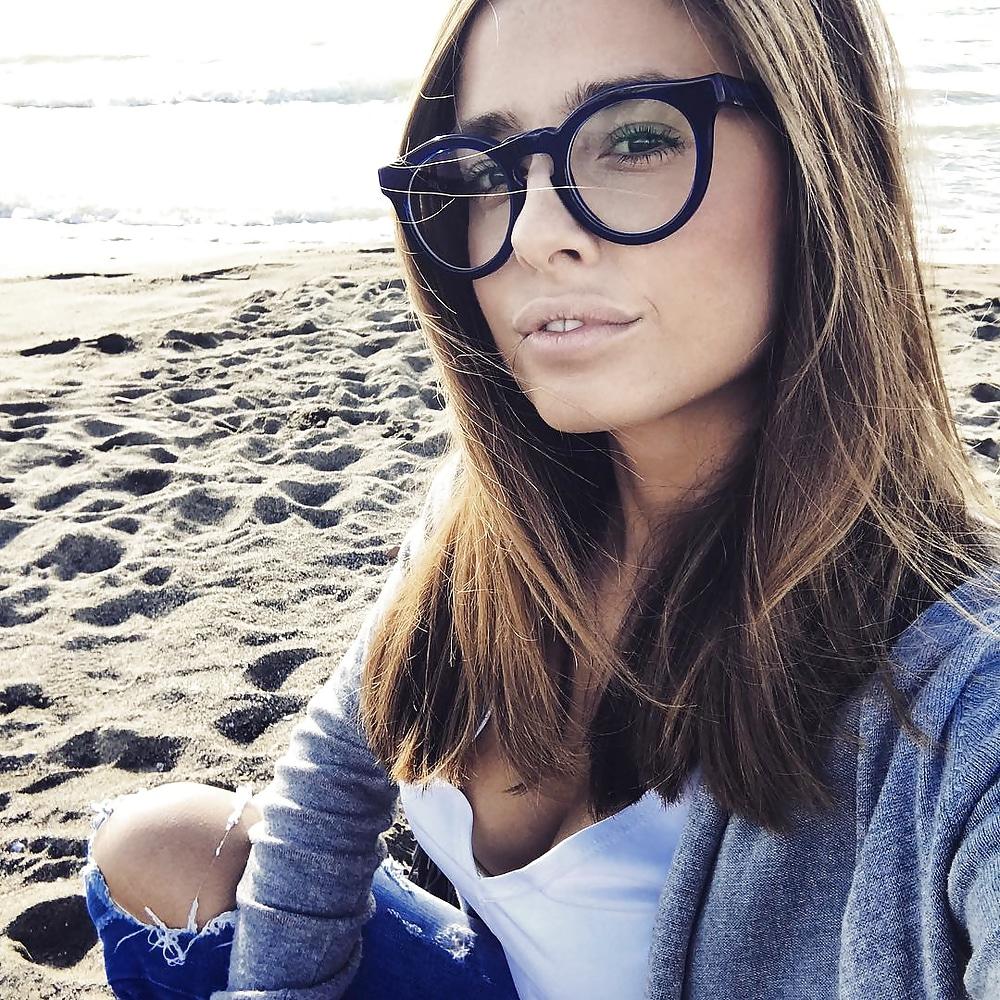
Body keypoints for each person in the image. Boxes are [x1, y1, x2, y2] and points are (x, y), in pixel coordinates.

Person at [81, 0, 1000, 997]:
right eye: (487, 173)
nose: (531, 231)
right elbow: (329, 783)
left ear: (818, 163)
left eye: (636, 139)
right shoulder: (489, 514)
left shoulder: (954, 692)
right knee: (162, 845)